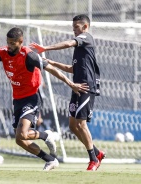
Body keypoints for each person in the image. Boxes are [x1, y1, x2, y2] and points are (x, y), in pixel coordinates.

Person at [0, 27, 89, 171]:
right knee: (19, 140)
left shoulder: (29, 55)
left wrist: (71, 84)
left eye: (12, 43)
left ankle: (45, 135)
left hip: (32, 98)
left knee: (22, 134)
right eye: (8, 42)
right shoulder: (2, 52)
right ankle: (49, 159)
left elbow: (51, 69)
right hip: (17, 99)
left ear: (20, 41)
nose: (9, 46)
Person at [29, 14, 105, 171]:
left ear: (85, 27)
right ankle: (97, 153)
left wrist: (46, 48)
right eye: (73, 27)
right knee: (72, 125)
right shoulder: (80, 49)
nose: (74, 30)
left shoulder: (86, 38)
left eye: (77, 27)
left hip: (85, 86)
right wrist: (52, 62)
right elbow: (72, 69)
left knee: (81, 123)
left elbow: (69, 43)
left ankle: (93, 159)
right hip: (76, 86)